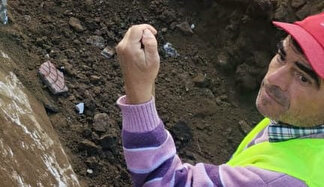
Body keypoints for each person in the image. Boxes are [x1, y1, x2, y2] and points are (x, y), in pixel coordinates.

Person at [115, 12, 324, 186]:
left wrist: (139, 92)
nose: (274, 78)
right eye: (281, 56)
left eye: (303, 77)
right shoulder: (297, 123)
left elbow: (164, 182)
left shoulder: (281, 179)